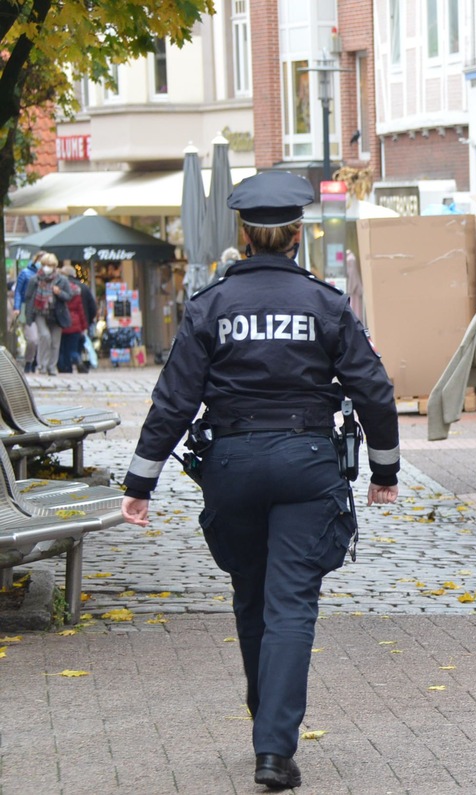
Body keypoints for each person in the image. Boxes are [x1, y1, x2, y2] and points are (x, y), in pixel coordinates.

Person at [120, 171, 402, 791]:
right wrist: (385, 470)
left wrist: (141, 483)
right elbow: (374, 392)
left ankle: (264, 726)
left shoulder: (209, 307)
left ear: (244, 237)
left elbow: (172, 401)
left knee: (251, 596)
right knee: (292, 604)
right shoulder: (326, 305)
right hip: (307, 464)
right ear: (296, 236)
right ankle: (273, 748)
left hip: (233, 465)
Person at [23, 253, 79, 376]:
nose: (47, 267)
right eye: (45, 265)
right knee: (44, 336)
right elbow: (28, 297)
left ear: (54, 266)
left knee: (55, 342)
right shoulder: (35, 279)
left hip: (56, 313)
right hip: (40, 312)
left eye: (50, 265)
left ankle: (52, 367)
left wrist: (59, 293)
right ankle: (42, 365)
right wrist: (28, 315)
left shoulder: (61, 280)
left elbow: (68, 296)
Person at [57, 262, 97, 374]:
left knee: (62, 350)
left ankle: (65, 370)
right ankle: (77, 360)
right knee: (74, 349)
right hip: (76, 324)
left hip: (61, 323)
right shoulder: (81, 288)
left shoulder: (59, 288)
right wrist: (85, 325)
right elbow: (87, 308)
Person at [12, 253, 41, 373]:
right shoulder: (25, 273)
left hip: (44, 310)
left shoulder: (49, 275)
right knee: (32, 338)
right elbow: (18, 291)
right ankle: (29, 361)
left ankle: (37, 363)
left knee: (42, 338)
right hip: (27, 308)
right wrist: (17, 307)